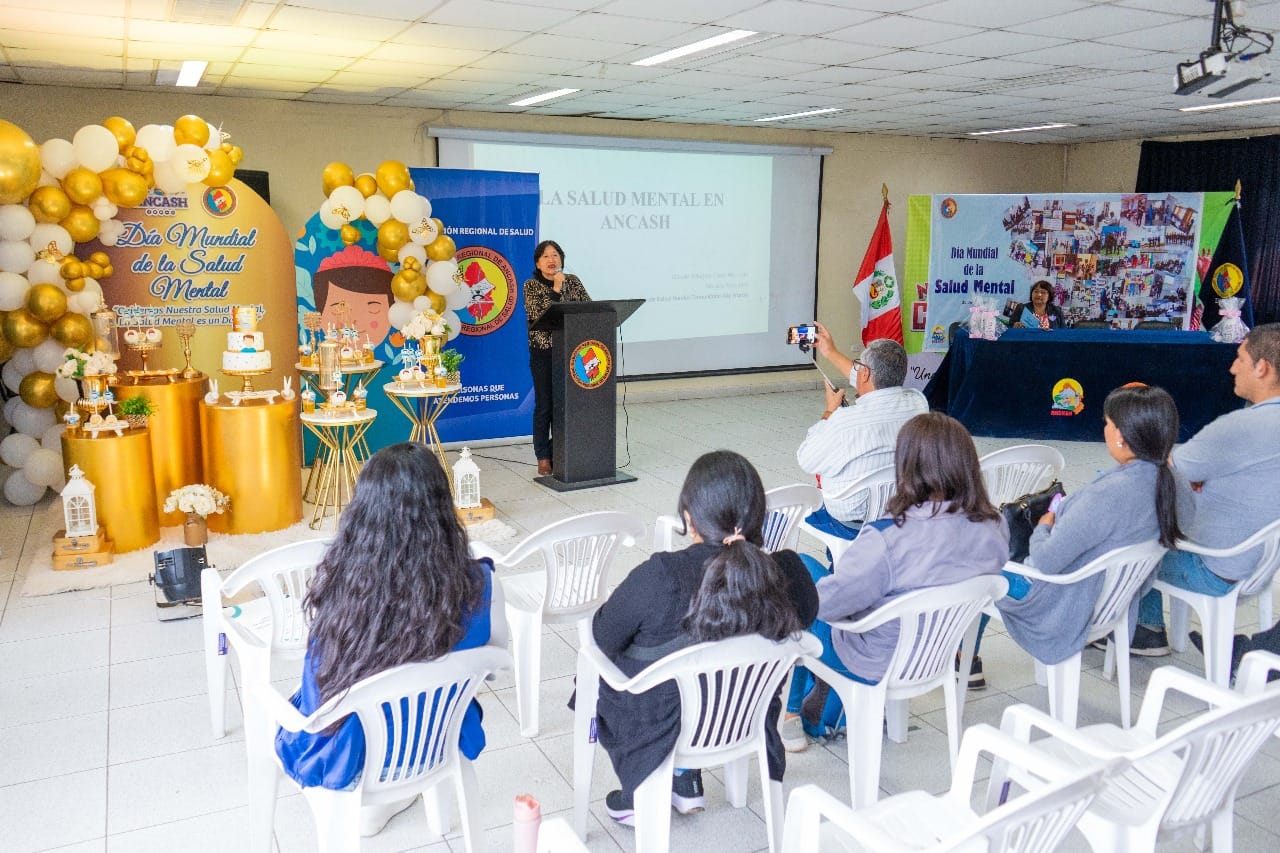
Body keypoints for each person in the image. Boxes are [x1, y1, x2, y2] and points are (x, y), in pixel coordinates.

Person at [274, 442, 507, 835]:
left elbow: (318, 704)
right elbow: (494, 666)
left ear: (363, 513)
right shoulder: (481, 583)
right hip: (435, 742)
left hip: (353, 762)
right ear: (442, 507)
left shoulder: (342, 592)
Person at [591, 450, 818, 827]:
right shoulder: (789, 571)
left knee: (603, 665)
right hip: (745, 718)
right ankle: (684, 780)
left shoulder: (659, 576)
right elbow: (805, 621)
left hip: (662, 731)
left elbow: (602, 636)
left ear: (688, 518)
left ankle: (648, 786)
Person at [784, 412, 1008, 744]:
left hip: (875, 659)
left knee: (795, 577)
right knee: (815, 574)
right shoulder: (995, 525)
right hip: (938, 652)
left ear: (907, 467)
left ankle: (798, 715)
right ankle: (812, 702)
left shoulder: (887, 537)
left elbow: (827, 605)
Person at [997, 385, 1192, 665]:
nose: (1105, 429)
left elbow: (1046, 561)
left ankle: (964, 662)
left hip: (1064, 602)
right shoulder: (1172, 480)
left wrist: (1043, 526)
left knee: (980, 564)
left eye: (1108, 424)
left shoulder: (1109, 494)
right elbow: (1187, 521)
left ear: (1122, 437)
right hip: (1115, 602)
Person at [1133, 323, 1280, 654]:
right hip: (1262, 564)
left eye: (1239, 358)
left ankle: (1145, 628)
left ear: (1262, 367)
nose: (1232, 367)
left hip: (1216, 566)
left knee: (1129, 544)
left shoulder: (1241, 427)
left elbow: (1166, 469)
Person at [797, 327, 927, 540]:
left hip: (851, 521)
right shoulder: (918, 403)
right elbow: (879, 383)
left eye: (859, 368)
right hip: (902, 511)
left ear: (864, 373)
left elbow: (806, 459)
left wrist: (829, 412)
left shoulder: (843, 421)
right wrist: (830, 352)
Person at [523, 239, 591, 476]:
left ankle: (559, 451)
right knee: (546, 406)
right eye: (546, 256)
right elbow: (539, 314)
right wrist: (556, 289)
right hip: (544, 354)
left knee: (570, 406)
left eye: (555, 255)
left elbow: (589, 310)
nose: (552, 260)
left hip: (574, 354)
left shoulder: (573, 282)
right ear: (538, 263)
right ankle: (543, 457)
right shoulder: (531, 286)